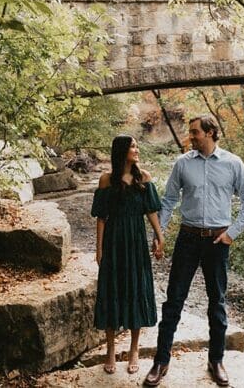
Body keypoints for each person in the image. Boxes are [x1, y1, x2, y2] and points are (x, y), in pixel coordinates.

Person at [145, 115, 244, 387]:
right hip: (187, 238)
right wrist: (159, 235)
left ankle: (216, 360)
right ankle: (161, 361)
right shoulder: (182, 163)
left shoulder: (233, 163)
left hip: (217, 241)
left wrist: (232, 234)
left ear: (210, 133)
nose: (191, 137)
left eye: (195, 132)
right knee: (174, 300)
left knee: (217, 302)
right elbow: (169, 201)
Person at [91, 135, 165, 374]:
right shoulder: (106, 180)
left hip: (136, 243)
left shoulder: (143, 178)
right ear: (122, 151)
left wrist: (160, 236)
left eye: (136, 146)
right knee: (112, 289)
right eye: (133, 146)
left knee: (136, 289)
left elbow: (151, 211)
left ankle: (134, 349)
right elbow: (101, 218)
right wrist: (99, 248)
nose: (137, 149)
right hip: (113, 242)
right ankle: (111, 350)